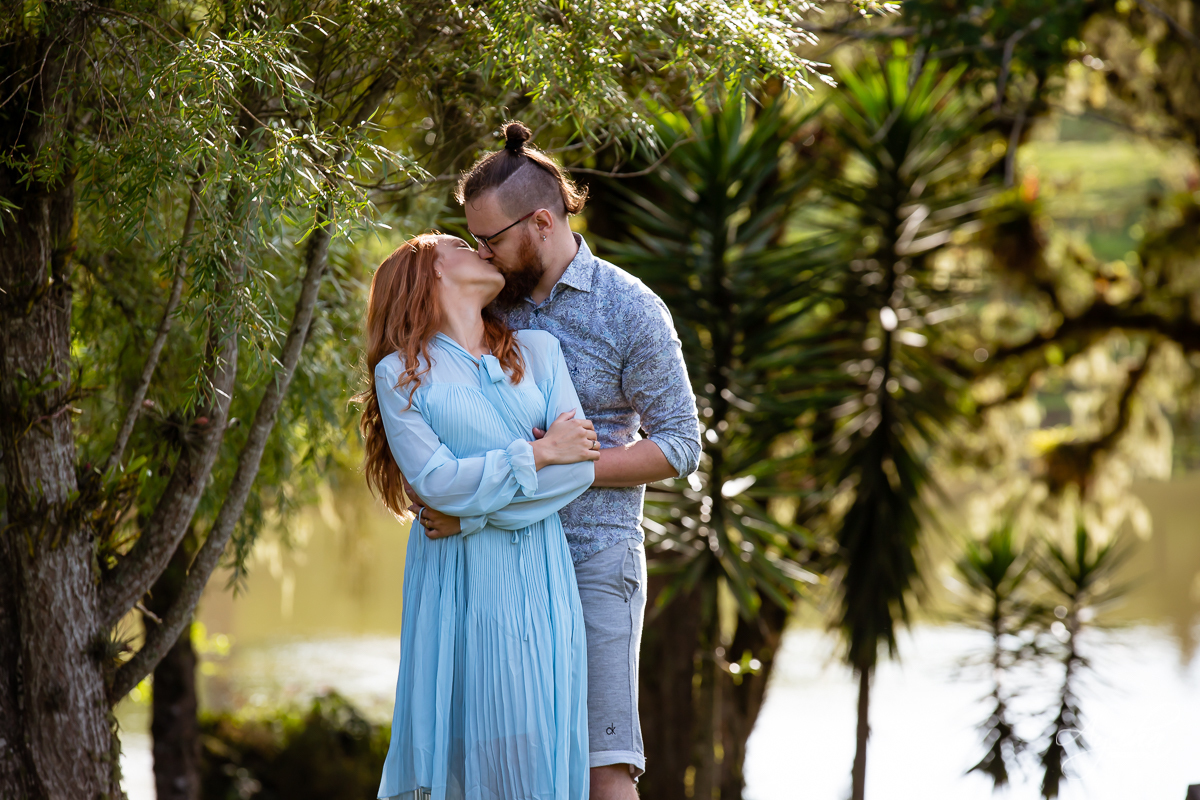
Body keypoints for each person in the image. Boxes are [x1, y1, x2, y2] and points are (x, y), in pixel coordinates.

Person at [412, 121, 702, 800]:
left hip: (594, 558)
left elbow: (682, 444)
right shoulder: (484, 303)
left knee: (605, 767)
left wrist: (567, 465)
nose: (481, 251)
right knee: (500, 757)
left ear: (542, 221)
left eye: (491, 238)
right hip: (496, 556)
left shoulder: (631, 310)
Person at [358, 232, 602, 800]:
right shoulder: (399, 375)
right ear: (430, 274)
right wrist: (538, 452)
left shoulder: (540, 352)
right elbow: (436, 483)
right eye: (460, 245)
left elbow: (580, 470)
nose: (484, 250)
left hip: (540, 583)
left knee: (536, 745)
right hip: (458, 587)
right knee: (467, 749)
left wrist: (471, 518)